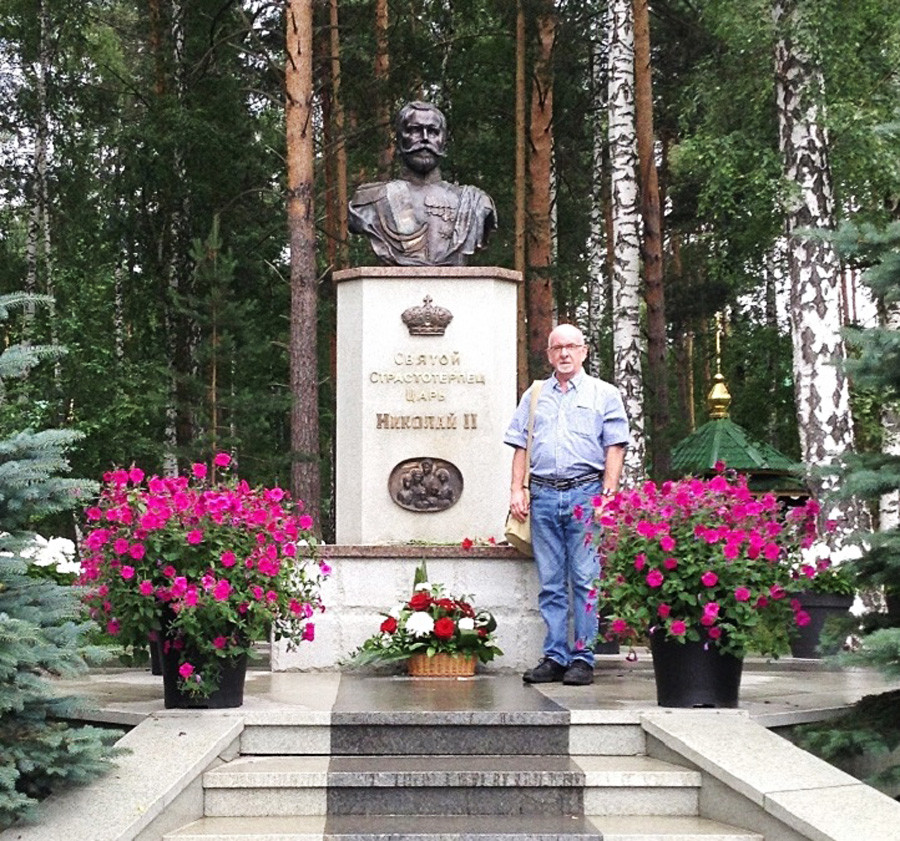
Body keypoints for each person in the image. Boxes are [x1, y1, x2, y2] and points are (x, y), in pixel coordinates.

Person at [504, 324, 629, 686]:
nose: (564, 354)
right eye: (557, 348)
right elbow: (520, 445)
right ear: (548, 354)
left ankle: (583, 658)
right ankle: (556, 656)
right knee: (551, 582)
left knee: (586, 580)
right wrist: (517, 489)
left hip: (584, 495)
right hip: (542, 495)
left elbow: (615, 447)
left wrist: (608, 496)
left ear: (584, 351)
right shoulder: (535, 395)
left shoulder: (604, 394)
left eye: (571, 347)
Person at [348, 101, 496, 266]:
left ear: (444, 141)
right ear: (399, 139)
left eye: (433, 132)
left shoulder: (475, 203)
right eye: (415, 130)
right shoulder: (369, 200)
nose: (425, 139)